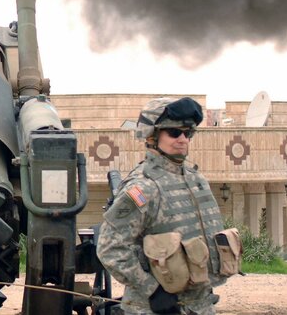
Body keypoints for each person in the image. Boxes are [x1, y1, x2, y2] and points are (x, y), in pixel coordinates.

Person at [97, 97, 240, 314]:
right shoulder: (143, 187)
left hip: (200, 305)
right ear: (152, 136)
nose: (183, 139)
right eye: (174, 132)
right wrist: (152, 291)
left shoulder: (196, 180)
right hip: (154, 308)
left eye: (188, 133)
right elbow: (110, 248)